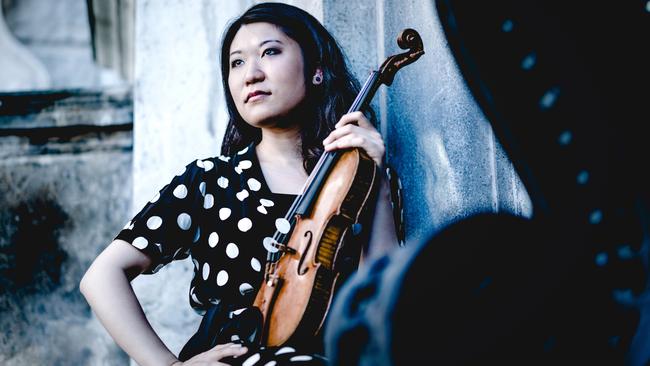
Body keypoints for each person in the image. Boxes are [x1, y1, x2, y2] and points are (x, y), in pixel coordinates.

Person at [79, 2, 399, 365]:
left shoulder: (352, 182)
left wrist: (378, 181)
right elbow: (101, 276)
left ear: (317, 70)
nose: (251, 74)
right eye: (237, 62)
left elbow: (383, 300)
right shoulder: (210, 181)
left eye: (270, 52)